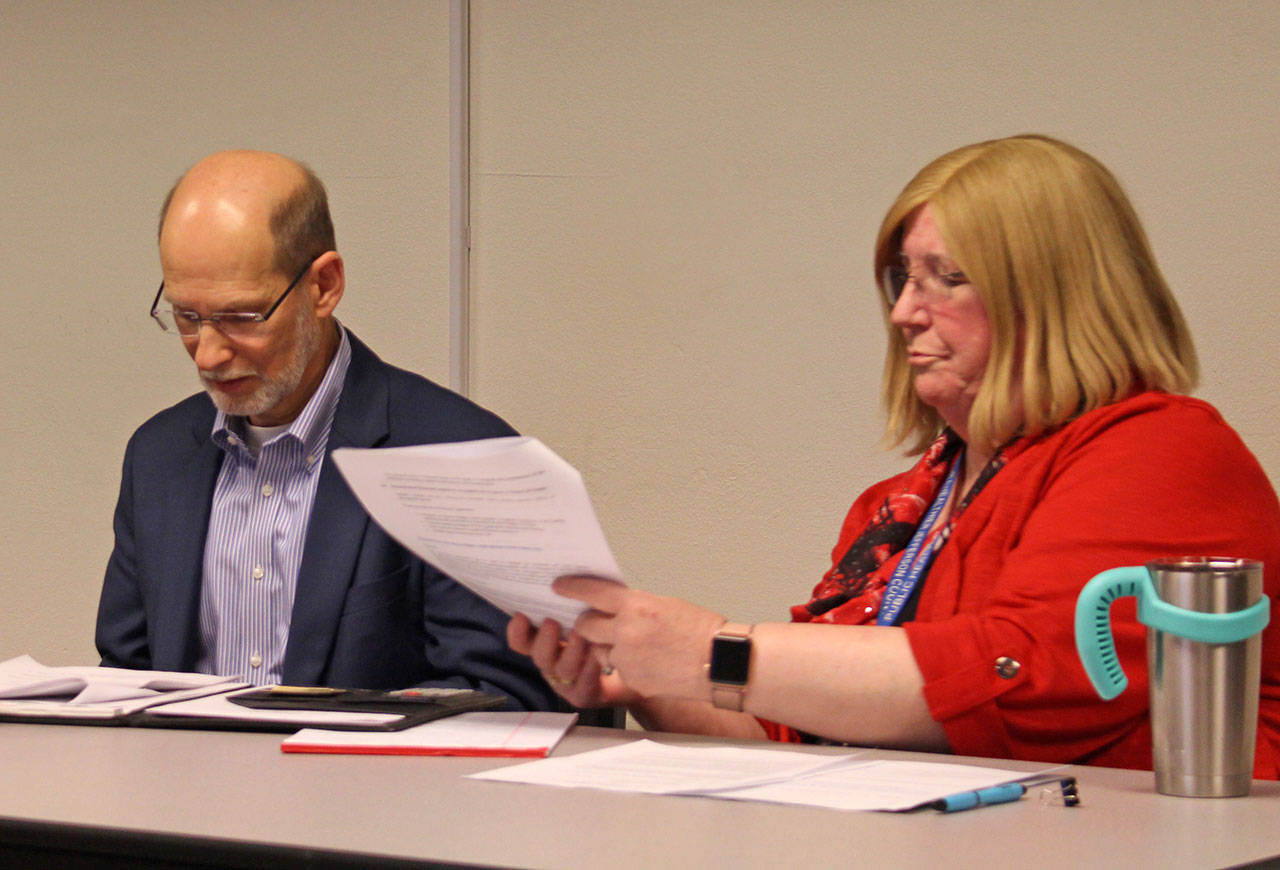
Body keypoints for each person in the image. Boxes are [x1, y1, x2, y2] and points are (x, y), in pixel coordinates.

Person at [509, 134, 1280, 774]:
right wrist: (642, 676)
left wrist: (713, 651)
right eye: (900, 278)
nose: (905, 312)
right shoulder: (902, 502)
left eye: (948, 278)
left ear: (1052, 298)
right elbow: (796, 739)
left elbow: (1013, 680)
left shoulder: (1161, 449)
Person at [97, 149, 555, 711]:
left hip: (370, 794)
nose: (209, 355)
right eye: (188, 317)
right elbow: (125, 682)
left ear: (324, 286)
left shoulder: (460, 455)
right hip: (181, 793)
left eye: (242, 318)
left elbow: (500, 698)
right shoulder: (158, 457)